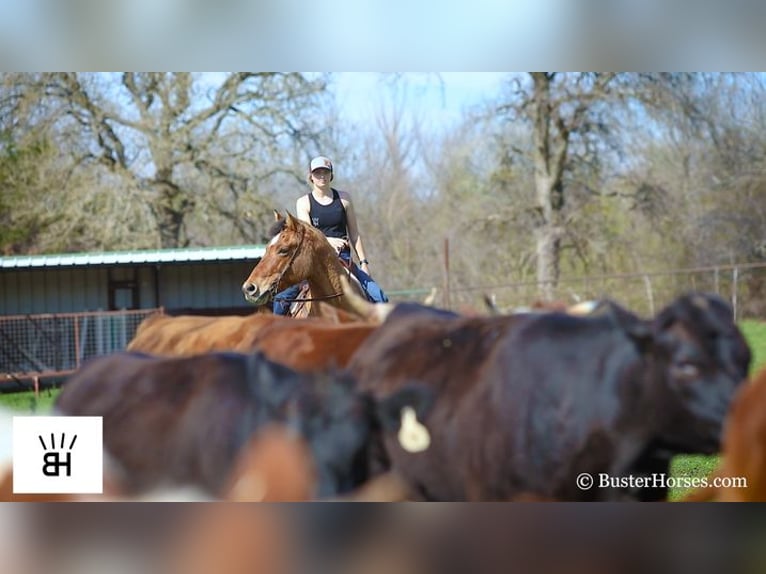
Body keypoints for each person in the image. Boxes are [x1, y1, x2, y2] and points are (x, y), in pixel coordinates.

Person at [273, 156, 388, 315]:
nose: (322, 176)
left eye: (325, 172)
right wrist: (328, 241)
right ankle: (279, 336)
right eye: (317, 173)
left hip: (343, 260)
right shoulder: (304, 202)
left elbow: (354, 234)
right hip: (315, 262)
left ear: (331, 175)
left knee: (380, 298)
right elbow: (309, 235)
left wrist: (363, 262)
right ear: (311, 176)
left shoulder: (344, 199)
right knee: (280, 301)